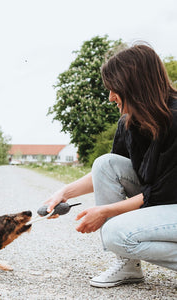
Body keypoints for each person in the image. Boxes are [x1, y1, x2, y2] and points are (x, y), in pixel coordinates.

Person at [45, 44, 177, 288]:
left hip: (171, 200)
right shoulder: (130, 123)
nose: (110, 97)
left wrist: (106, 212)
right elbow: (108, 173)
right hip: (164, 203)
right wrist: (63, 192)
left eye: (114, 89)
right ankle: (128, 266)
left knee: (116, 233)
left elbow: (164, 192)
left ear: (135, 86)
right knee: (105, 163)